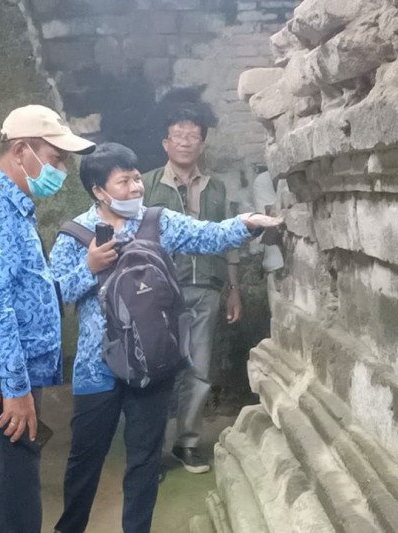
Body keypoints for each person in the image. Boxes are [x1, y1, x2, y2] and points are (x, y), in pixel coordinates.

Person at [50, 142, 281, 533]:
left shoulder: (157, 222)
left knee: (144, 459)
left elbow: (207, 235)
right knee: (86, 459)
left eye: (137, 177)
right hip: (97, 367)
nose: (136, 187)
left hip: (152, 360)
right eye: (124, 181)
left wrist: (245, 223)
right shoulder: (74, 235)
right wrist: (88, 267)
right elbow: (54, 293)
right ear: (98, 191)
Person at [0, 104, 95, 533]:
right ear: (22, 150)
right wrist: (16, 389)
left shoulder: (10, 203)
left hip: (5, 376)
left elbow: (26, 291)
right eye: (55, 158)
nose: (61, 169)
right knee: (9, 507)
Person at [142, 105, 239, 474]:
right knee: (156, 367)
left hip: (207, 288)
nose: (185, 142)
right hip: (160, 290)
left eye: (193, 136)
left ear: (202, 144)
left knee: (198, 370)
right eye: (178, 135)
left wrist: (233, 287)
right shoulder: (148, 184)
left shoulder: (216, 187)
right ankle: (150, 450)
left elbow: (229, 238)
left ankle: (187, 444)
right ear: (166, 143)